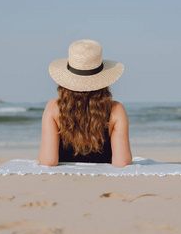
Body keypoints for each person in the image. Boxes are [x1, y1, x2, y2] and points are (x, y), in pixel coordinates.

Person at [39, 39, 132, 167]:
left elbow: (48, 161)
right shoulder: (116, 110)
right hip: (103, 182)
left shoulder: (53, 108)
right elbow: (122, 162)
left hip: (65, 183)